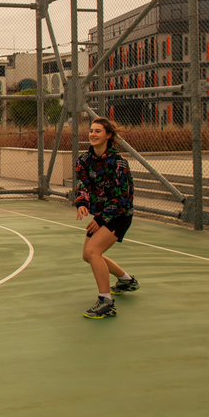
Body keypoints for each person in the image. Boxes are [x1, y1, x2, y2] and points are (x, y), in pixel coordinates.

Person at [74, 117, 139, 319]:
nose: (92, 134)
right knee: (88, 255)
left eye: (98, 131)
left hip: (119, 215)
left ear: (108, 135)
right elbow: (83, 186)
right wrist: (83, 203)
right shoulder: (84, 161)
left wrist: (102, 219)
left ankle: (106, 302)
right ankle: (126, 280)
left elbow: (122, 198)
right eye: (91, 130)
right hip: (102, 216)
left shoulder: (119, 163)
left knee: (93, 251)